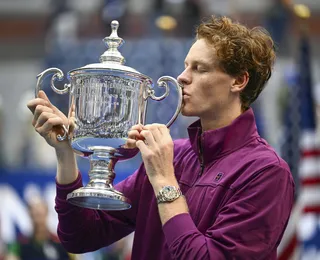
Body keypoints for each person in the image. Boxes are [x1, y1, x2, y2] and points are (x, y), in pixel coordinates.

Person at [27, 16, 295, 260]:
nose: (182, 77)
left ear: (239, 81)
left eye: (199, 69)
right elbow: (80, 236)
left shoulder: (267, 172)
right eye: (185, 66)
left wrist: (165, 179)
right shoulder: (173, 155)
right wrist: (64, 152)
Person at [5, 198, 71, 260]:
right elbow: (11, 256)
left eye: (40, 215)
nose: (38, 220)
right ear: (30, 215)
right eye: (35, 215)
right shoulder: (21, 243)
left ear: (46, 214)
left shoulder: (59, 242)